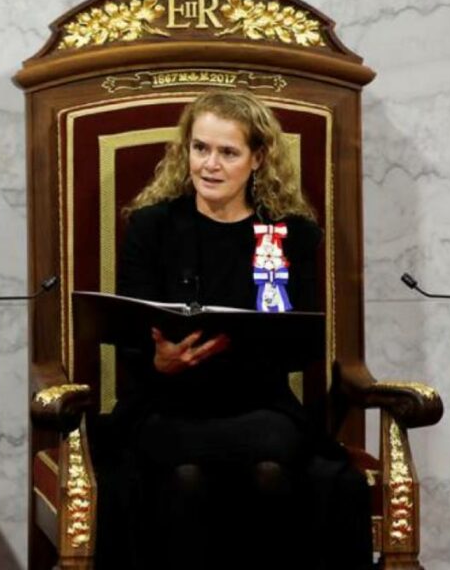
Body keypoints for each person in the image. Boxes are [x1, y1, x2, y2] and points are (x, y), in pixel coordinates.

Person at [97, 90, 372, 569]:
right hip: (167, 404)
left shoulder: (289, 233)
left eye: (228, 152)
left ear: (258, 158)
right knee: (185, 473)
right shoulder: (152, 226)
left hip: (258, 403)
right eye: (201, 148)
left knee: (271, 463)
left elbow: (302, 341)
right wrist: (159, 361)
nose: (210, 165)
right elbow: (130, 332)